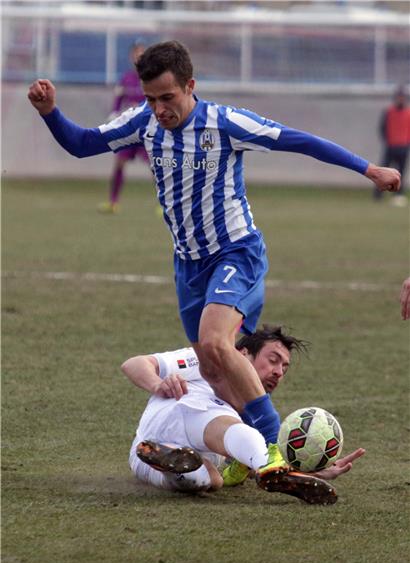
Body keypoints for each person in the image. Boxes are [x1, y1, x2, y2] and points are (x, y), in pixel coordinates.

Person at [27, 40, 399, 473]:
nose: (159, 108)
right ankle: (252, 457)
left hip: (235, 252)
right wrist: (50, 111)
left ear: (190, 86)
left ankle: (274, 449)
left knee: (217, 342)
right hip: (188, 266)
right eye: (151, 99)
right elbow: (81, 143)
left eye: (168, 98)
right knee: (215, 371)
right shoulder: (144, 123)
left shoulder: (224, 123)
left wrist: (367, 169)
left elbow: (297, 140)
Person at [122, 324, 365, 504]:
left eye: (284, 367)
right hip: (176, 411)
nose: (278, 371)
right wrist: (157, 384)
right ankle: (268, 468)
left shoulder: (260, 413)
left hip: (154, 454)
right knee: (233, 428)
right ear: (242, 354)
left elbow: (250, 468)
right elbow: (134, 363)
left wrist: (313, 472)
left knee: (209, 480)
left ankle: (172, 463)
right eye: (273, 360)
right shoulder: (208, 361)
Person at [98, 43, 149, 214]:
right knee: (119, 162)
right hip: (130, 128)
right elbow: (119, 98)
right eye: (136, 53)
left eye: (142, 54)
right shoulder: (126, 78)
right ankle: (113, 202)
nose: (138, 57)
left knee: (157, 166)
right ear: (131, 56)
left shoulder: (152, 77)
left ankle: (166, 204)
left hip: (148, 129)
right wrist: (114, 113)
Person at [374, 85, 410, 206]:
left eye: (402, 97)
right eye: (399, 97)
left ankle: (398, 195)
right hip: (390, 146)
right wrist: (388, 140)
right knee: (382, 171)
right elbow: (382, 128)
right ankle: (377, 195)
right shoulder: (389, 111)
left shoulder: (408, 113)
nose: (401, 99)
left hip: (404, 147)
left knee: (401, 173)